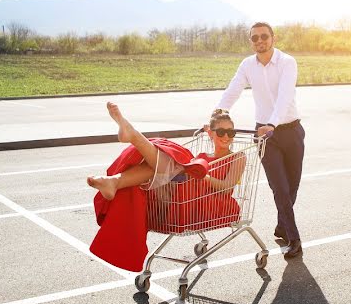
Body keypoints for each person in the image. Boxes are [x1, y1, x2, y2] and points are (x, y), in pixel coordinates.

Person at [86, 103, 245, 271]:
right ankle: (117, 177)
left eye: (231, 132)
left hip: (208, 203)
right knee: (160, 164)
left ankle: (126, 156)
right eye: (221, 132)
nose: (226, 136)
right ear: (211, 134)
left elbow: (227, 188)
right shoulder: (202, 156)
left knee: (166, 163)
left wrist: (202, 175)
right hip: (183, 195)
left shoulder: (238, 157)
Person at [215, 21, 305, 259]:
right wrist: (219, 111)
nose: (259, 41)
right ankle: (294, 238)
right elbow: (234, 89)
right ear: (251, 41)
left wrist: (273, 123)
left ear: (273, 38)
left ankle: (281, 225)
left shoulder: (287, 62)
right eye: (254, 38)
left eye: (264, 36)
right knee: (280, 187)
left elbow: (285, 97)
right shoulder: (247, 65)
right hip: (265, 136)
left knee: (292, 185)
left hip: (290, 130)